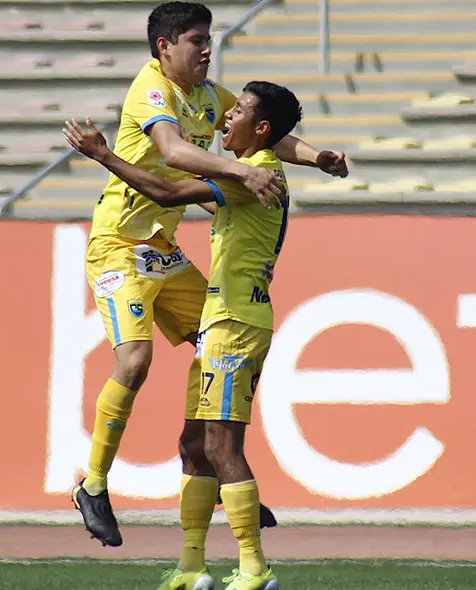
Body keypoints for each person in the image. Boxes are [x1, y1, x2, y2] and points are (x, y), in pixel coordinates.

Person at [71, 0, 348, 549]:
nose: (207, 49)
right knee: (137, 358)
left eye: (209, 39)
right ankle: (94, 484)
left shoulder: (206, 94)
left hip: (161, 250)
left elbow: (270, 138)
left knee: (221, 340)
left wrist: (317, 157)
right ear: (165, 47)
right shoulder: (152, 90)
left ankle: (223, 467)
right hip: (118, 246)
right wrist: (240, 168)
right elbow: (172, 154)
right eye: (197, 40)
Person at [65, 78, 300, 590]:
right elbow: (254, 146)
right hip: (212, 312)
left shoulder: (253, 174)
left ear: (258, 129)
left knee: (219, 444)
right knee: (195, 444)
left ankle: (254, 567)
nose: (227, 119)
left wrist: (102, 154)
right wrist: (318, 154)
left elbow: (167, 185)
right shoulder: (252, 169)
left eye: (238, 113)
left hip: (233, 323)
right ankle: (192, 566)